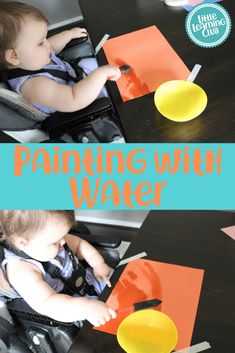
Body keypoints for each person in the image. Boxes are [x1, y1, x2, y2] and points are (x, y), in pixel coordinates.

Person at [0, 2, 121, 115]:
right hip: (82, 99)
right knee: (116, 86)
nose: (47, 44)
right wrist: (101, 74)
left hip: (77, 76)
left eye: (45, 38)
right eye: (40, 43)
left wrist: (68, 34)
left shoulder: (30, 59)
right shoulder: (35, 86)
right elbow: (74, 99)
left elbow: (52, 45)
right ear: (13, 56)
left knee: (108, 59)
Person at [0, 210, 117, 327]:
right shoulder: (21, 271)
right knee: (103, 326)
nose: (64, 241)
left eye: (64, 235)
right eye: (55, 242)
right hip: (71, 305)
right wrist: (87, 308)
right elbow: (49, 304)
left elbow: (79, 244)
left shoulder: (49, 240)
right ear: (22, 243)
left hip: (89, 279)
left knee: (118, 281)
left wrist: (98, 264)